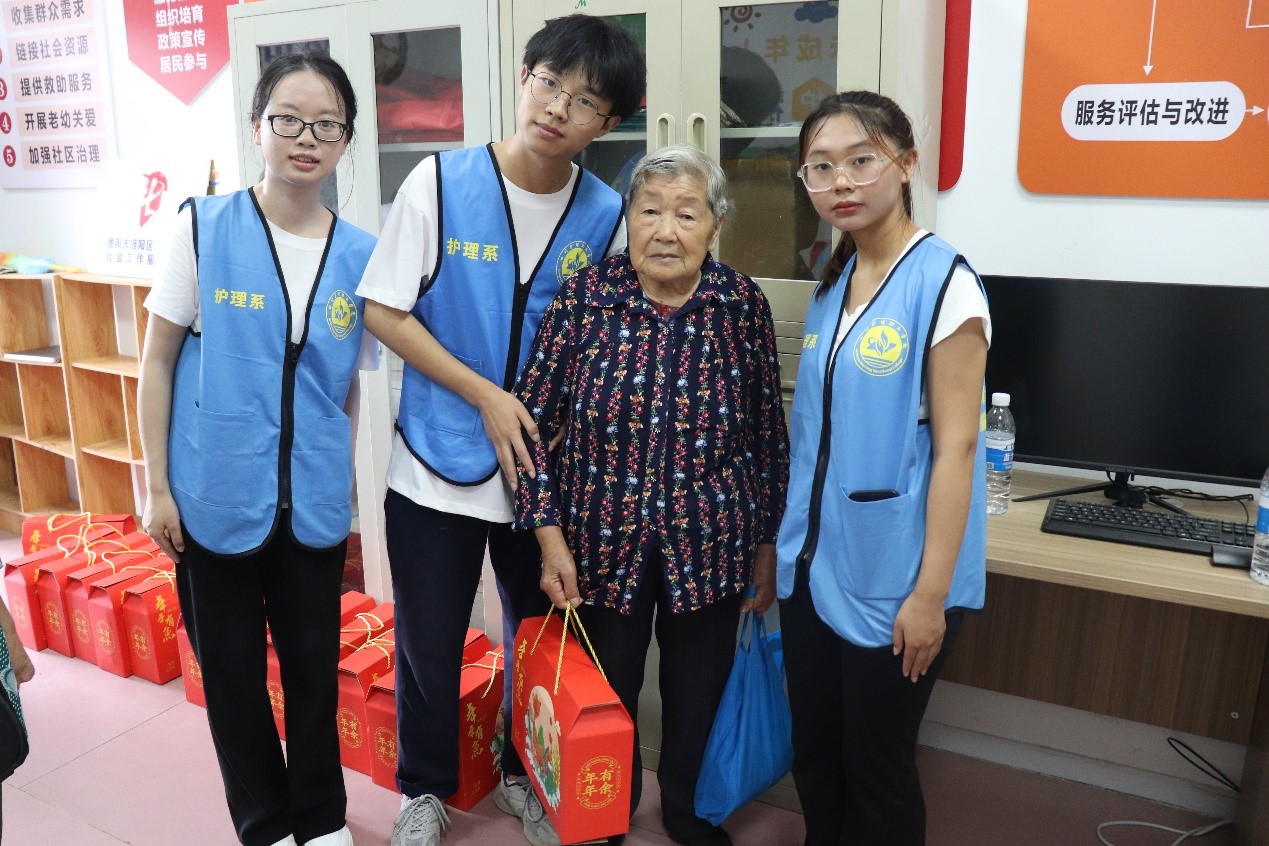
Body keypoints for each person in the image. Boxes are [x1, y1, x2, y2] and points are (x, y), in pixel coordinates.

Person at [354, 14, 646, 846]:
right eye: (549, 82)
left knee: (537, 638)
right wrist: (482, 392)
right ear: (524, 78)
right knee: (428, 640)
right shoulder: (439, 184)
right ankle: (424, 789)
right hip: (431, 463)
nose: (558, 107)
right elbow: (382, 308)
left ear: (608, 123)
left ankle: (527, 773)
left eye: (585, 100)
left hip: (544, 481)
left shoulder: (603, 216)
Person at [514, 144, 790, 846]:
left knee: (696, 692)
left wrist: (765, 547)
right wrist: (548, 539)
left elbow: (766, 437)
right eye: (649, 211)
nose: (665, 230)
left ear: (715, 224)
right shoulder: (587, 298)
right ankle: (604, 806)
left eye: (685, 213)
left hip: (712, 545)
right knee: (606, 689)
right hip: (599, 544)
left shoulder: (739, 305)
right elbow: (528, 428)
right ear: (627, 220)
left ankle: (686, 810)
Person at [138, 53, 377, 846]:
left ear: (345, 140)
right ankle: (267, 824)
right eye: (288, 120)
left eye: (326, 125)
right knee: (234, 678)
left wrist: (337, 477)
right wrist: (158, 488)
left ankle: (321, 818)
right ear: (257, 128)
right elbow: (158, 360)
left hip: (309, 503)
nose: (305, 139)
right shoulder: (203, 229)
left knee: (315, 674)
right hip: (211, 497)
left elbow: (341, 387)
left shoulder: (360, 255)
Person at [775, 90, 991, 846]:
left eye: (860, 161)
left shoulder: (944, 284)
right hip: (811, 564)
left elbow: (958, 448)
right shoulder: (832, 278)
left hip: (896, 572)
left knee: (877, 764)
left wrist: (930, 596)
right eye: (820, 167)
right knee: (816, 755)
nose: (840, 182)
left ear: (904, 164)